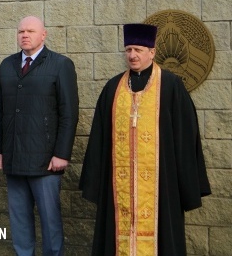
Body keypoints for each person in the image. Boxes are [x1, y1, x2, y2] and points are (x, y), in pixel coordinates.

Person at [79, 23, 211, 256]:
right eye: (128, 50)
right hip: (119, 184)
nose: (132, 55)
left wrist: (186, 182)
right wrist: (95, 179)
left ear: (152, 52)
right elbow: (99, 136)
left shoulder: (171, 86)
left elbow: (186, 136)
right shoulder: (113, 88)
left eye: (138, 50)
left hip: (161, 183)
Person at [0, 16, 79, 256]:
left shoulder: (60, 64)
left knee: (50, 221)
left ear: (43, 35)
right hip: (13, 157)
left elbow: (69, 113)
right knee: (19, 220)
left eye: (30, 31)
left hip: (46, 160)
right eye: (21, 31)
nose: (25, 35)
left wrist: (62, 153)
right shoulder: (7, 65)